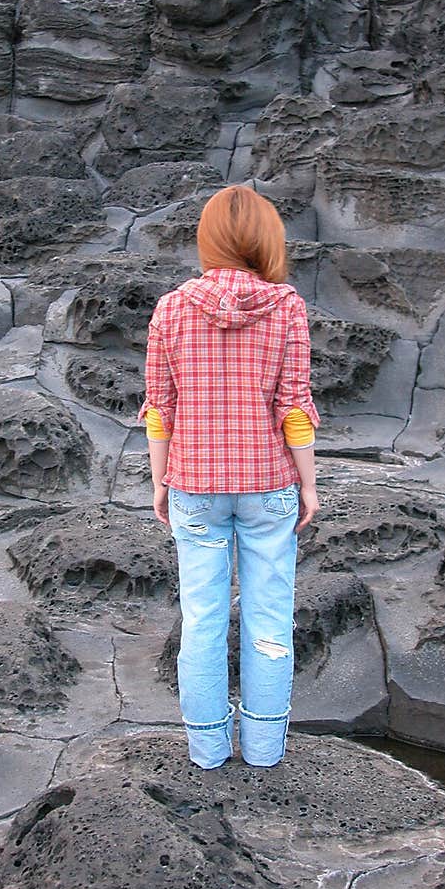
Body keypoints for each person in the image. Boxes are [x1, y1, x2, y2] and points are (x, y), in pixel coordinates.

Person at [138, 184, 321, 770]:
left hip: (194, 483)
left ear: (208, 238)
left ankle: (208, 750)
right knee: (270, 616)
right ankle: (265, 749)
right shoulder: (287, 306)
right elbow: (294, 406)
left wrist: (160, 481)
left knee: (203, 617)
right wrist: (309, 485)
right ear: (266, 238)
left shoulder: (170, 308)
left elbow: (158, 407)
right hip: (269, 483)